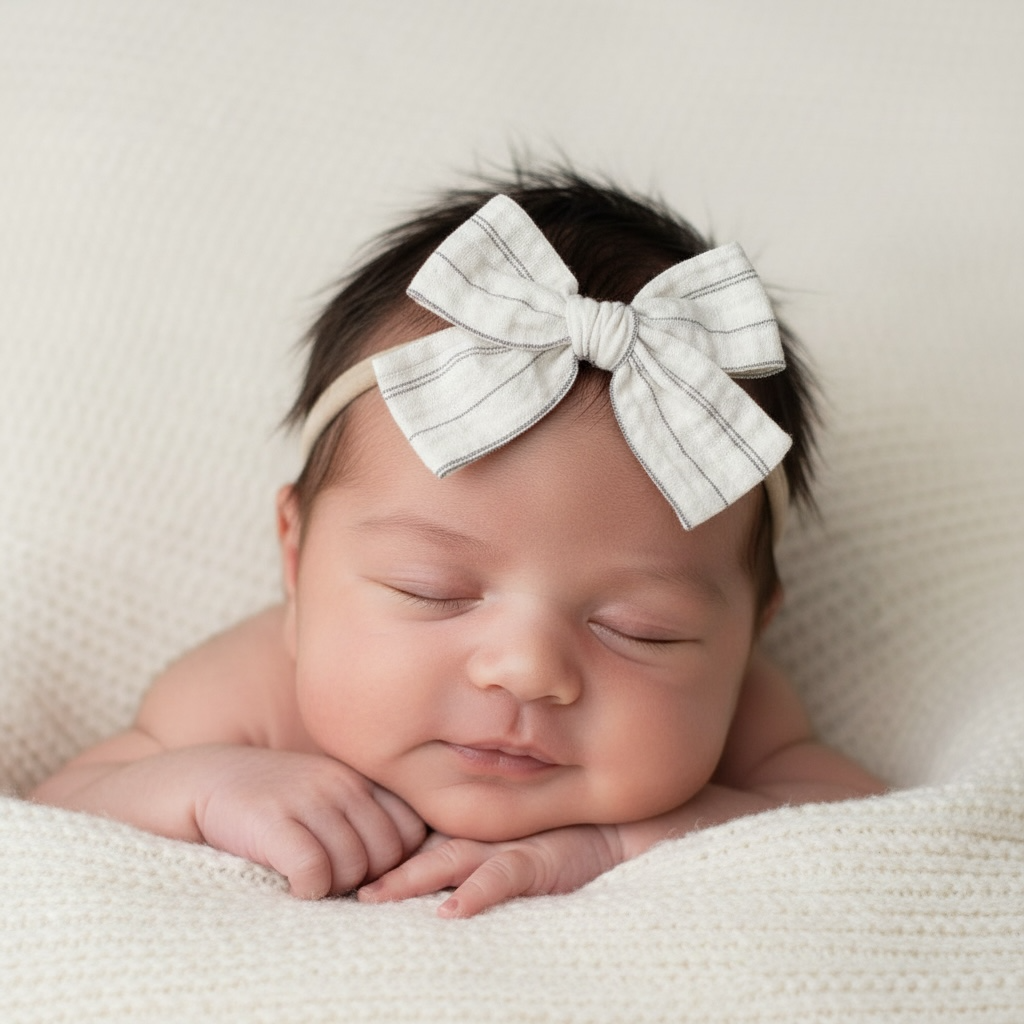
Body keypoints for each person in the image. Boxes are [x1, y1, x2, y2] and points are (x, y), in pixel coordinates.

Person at [31, 165, 885, 918]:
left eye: (641, 628)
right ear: (295, 566)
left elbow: (861, 828)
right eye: (429, 588)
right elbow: (63, 806)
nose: (525, 670)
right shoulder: (251, 696)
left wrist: (626, 841)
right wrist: (204, 789)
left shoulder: (739, 716)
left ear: (748, 635)